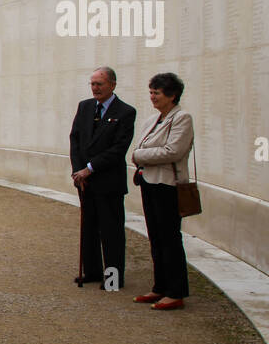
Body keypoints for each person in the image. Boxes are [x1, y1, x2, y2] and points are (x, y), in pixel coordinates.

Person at [131, 72, 195, 311]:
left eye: (157, 93)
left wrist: (139, 156)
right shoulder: (153, 119)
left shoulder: (182, 118)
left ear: (172, 95)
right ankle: (160, 287)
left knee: (170, 239)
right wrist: (140, 154)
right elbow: (142, 145)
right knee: (156, 237)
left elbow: (173, 151)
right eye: (151, 92)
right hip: (150, 182)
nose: (152, 97)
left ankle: (176, 292)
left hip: (168, 186)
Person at [69, 66, 137, 289]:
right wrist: (78, 170)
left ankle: (113, 278)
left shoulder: (125, 112)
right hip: (85, 181)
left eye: (100, 84)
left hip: (108, 182)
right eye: (93, 84)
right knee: (88, 229)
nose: (95, 88)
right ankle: (92, 271)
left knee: (111, 232)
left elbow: (118, 149)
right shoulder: (85, 107)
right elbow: (75, 140)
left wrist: (90, 168)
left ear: (112, 85)